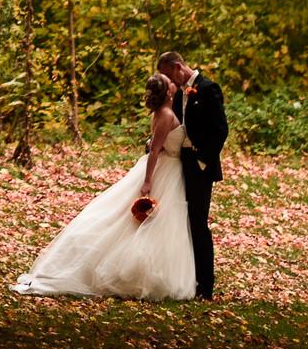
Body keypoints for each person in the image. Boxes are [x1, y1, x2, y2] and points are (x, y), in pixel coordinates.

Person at [10, 74, 197, 301]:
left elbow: (155, 142)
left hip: (170, 168)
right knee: (154, 223)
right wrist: (148, 181)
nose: (174, 84)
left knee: (157, 223)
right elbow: (155, 150)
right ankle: (143, 274)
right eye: (170, 84)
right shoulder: (166, 115)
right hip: (164, 170)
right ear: (168, 93)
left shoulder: (162, 113)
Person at [158, 50, 228, 299]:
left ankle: (205, 286)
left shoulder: (208, 89)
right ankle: (184, 279)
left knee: (198, 223)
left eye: (169, 75)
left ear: (178, 67)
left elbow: (220, 130)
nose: (169, 82)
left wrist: (202, 160)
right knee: (179, 220)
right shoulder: (177, 92)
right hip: (179, 163)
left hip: (200, 165)